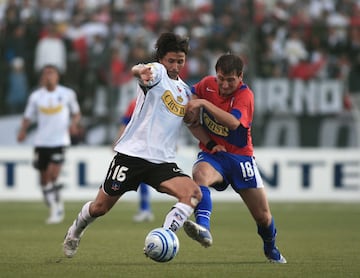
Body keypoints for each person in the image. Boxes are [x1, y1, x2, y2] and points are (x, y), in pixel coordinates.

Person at [63, 32, 202, 258]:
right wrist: (141, 71)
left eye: (180, 61)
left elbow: (191, 125)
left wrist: (211, 143)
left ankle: (164, 236)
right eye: (171, 60)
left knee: (193, 194)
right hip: (132, 156)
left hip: (162, 162)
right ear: (160, 59)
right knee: (100, 208)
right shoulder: (156, 73)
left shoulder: (186, 92)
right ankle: (75, 230)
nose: (175, 66)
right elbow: (138, 69)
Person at [183, 54, 287, 263]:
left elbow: (232, 123)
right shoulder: (206, 85)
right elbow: (191, 110)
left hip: (241, 159)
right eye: (221, 78)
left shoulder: (245, 95)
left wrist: (203, 103)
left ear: (240, 77)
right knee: (199, 174)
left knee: (263, 216)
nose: (224, 84)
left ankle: (271, 249)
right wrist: (207, 138)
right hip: (215, 155)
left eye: (230, 79)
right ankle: (203, 228)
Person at [17, 64, 81, 224]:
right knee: (44, 180)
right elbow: (28, 116)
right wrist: (23, 131)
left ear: (57, 76)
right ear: (42, 77)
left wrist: (74, 124)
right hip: (41, 141)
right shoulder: (36, 96)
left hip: (59, 141)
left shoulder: (67, 94)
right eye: (46, 74)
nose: (49, 76)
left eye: (51, 73)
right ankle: (52, 200)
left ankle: (57, 208)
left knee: (53, 174)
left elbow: (76, 112)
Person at [115, 98, 154, 222]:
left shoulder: (135, 103)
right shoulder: (156, 101)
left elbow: (125, 124)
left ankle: (145, 209)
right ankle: (145, 209)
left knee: (139, 177)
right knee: (142, 178)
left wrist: (118, 142)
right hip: (148, 146)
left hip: (138, 146)